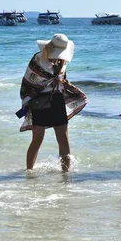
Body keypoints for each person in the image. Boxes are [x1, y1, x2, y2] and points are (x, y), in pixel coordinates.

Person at [19, 34, 87, 172]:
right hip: (39, 101)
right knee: (37, 139)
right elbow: (28, 83)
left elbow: (62, 81)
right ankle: (29, 172)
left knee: (63, 139)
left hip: (57, 100)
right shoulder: (37, 59)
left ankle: (66, 174)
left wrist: (75, 91)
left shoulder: (62, 61)